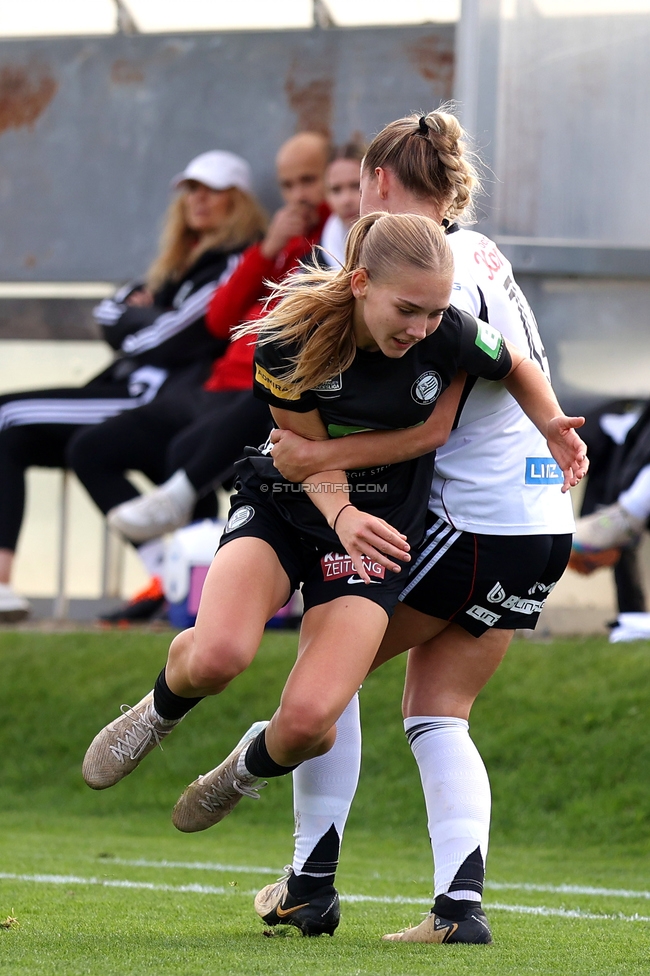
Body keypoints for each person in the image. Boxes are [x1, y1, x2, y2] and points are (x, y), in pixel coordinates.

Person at [82, 209, 585, 938]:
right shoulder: (289, 338)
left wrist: (553, 426)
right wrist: (343, 516)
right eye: (406, 310)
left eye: (435, 311)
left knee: (313, 721)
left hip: (373, 537)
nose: (420, 328)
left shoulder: (441, 329)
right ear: (359, 285)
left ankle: (240, 773)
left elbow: (513, 365)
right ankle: (158, 709)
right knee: (219, 654)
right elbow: (301, 458)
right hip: (290, 508)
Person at [249, 109, 586, 944]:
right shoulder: (480, 255)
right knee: (439, 710)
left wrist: (306, 460)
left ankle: (309, 880)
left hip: (475, 519)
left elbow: (423, 411)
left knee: (332, 661)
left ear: (379, 186)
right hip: (543, 518)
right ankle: (459, 911)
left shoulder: (429, 276)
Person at [0, 150, 265, 623]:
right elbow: (110, 312)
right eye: (191, 191)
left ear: (238, 201)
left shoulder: (236, 260)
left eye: (212, 191)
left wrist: (141, 320)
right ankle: (167, 575)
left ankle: (175, 577)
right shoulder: (179, 263)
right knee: (22, 435)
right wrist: (146, 319)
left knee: (8, 415)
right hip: (136, 387)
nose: (197, 201)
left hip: (156, 396)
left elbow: (187, 330)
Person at [95, 136, 353, 549]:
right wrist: (268, 248)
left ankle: (197, 539)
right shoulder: (285, 237)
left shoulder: (335, 235)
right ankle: (187, 571)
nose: (300, 195)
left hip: (277, 382)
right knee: (178, 450)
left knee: (244, 448)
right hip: (229, 379)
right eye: (288, 186)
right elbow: (220, 319)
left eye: (311, 181)